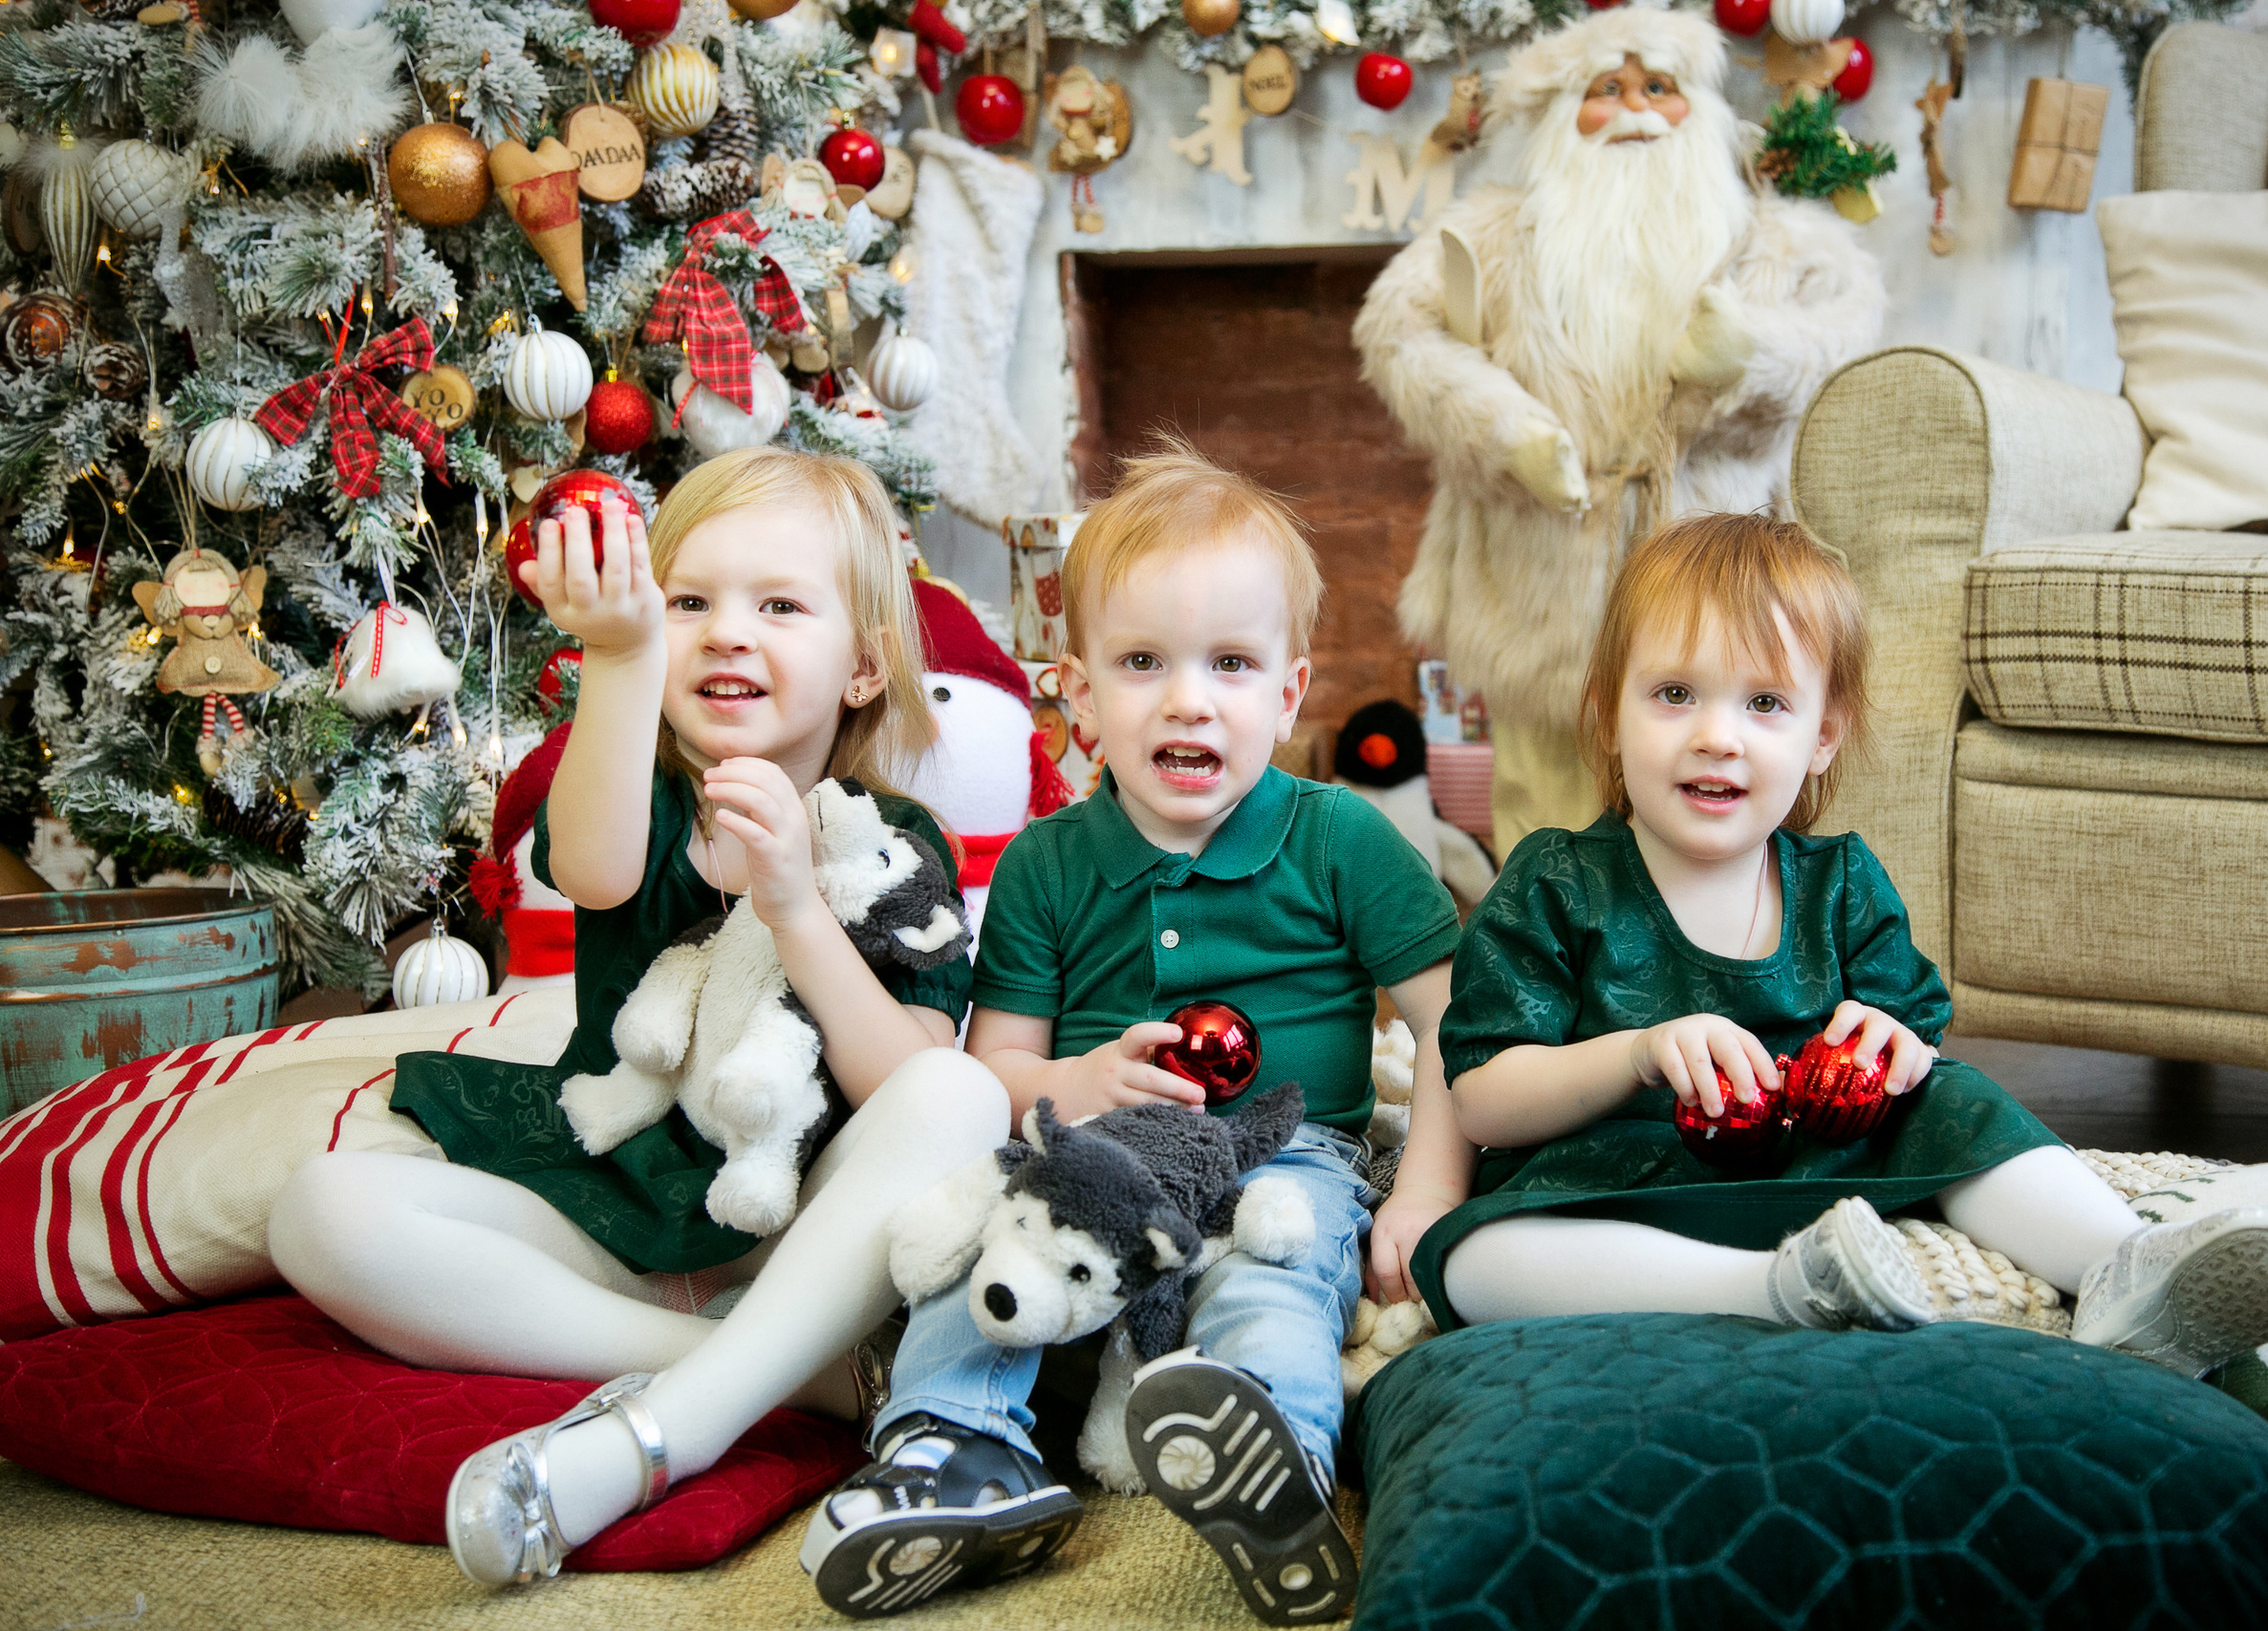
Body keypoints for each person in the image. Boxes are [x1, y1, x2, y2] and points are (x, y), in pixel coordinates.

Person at [267, 448, 1013, 1587]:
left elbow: (905, 1079)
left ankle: (675, 1427)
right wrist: (619, 660)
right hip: (616, 1196)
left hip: (796, 1223)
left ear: (863, 666)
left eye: (777, 606)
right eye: (689, 603)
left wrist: (798, 909)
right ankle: (774, 1372)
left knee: (962, 1096)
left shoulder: (888, 838)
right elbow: (601, 873)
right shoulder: (637, 787)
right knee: (322, 1210)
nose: (725, 631)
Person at [802, 445, 1475, 1625]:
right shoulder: (1048, 868)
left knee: (1281, 1263)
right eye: (1143, 663)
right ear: (1077, 690)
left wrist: (1418, 1189)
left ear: (1288, 688)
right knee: (993, 1238)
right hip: (1091, 1158)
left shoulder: (1343, 840)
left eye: (1230, 664)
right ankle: (951, 1450)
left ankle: (1270, 1450)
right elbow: (993, 1071)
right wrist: (1074, 1075)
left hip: (1291, 1148)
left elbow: (1454, 1029)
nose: (1187, 699)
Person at [1415, 513, 2268, 1379]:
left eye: (1765, 701)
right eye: (1674, 693)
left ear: (1823, 736)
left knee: (1957, 1097)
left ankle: (2130, 1270)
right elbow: (1487, 1103)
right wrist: (1638, 1054)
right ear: (1609, 713)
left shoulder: (1841, 883)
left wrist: (1895, 1049)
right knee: (1476, 1260)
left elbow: (1912, 1041)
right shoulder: (1557, 882)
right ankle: (1771, 1294)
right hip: (1619, 1180)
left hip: (1823, 1164)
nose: (1716, 736)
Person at [1355, 5, 1885, 855]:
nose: (1635, 106)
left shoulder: (1767, 236)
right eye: (1608, 88)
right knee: (1546, 801)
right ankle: (1546, 967)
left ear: (1701, 107)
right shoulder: (1492, 233)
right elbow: (1398, 333)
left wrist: (1747, 356)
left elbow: (1844, 329)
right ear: (1564, 115)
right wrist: (1508, 430)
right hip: (1538, 575)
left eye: (1659, 87)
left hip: (1708, 562)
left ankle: (1706, 960)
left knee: (1708, 789)